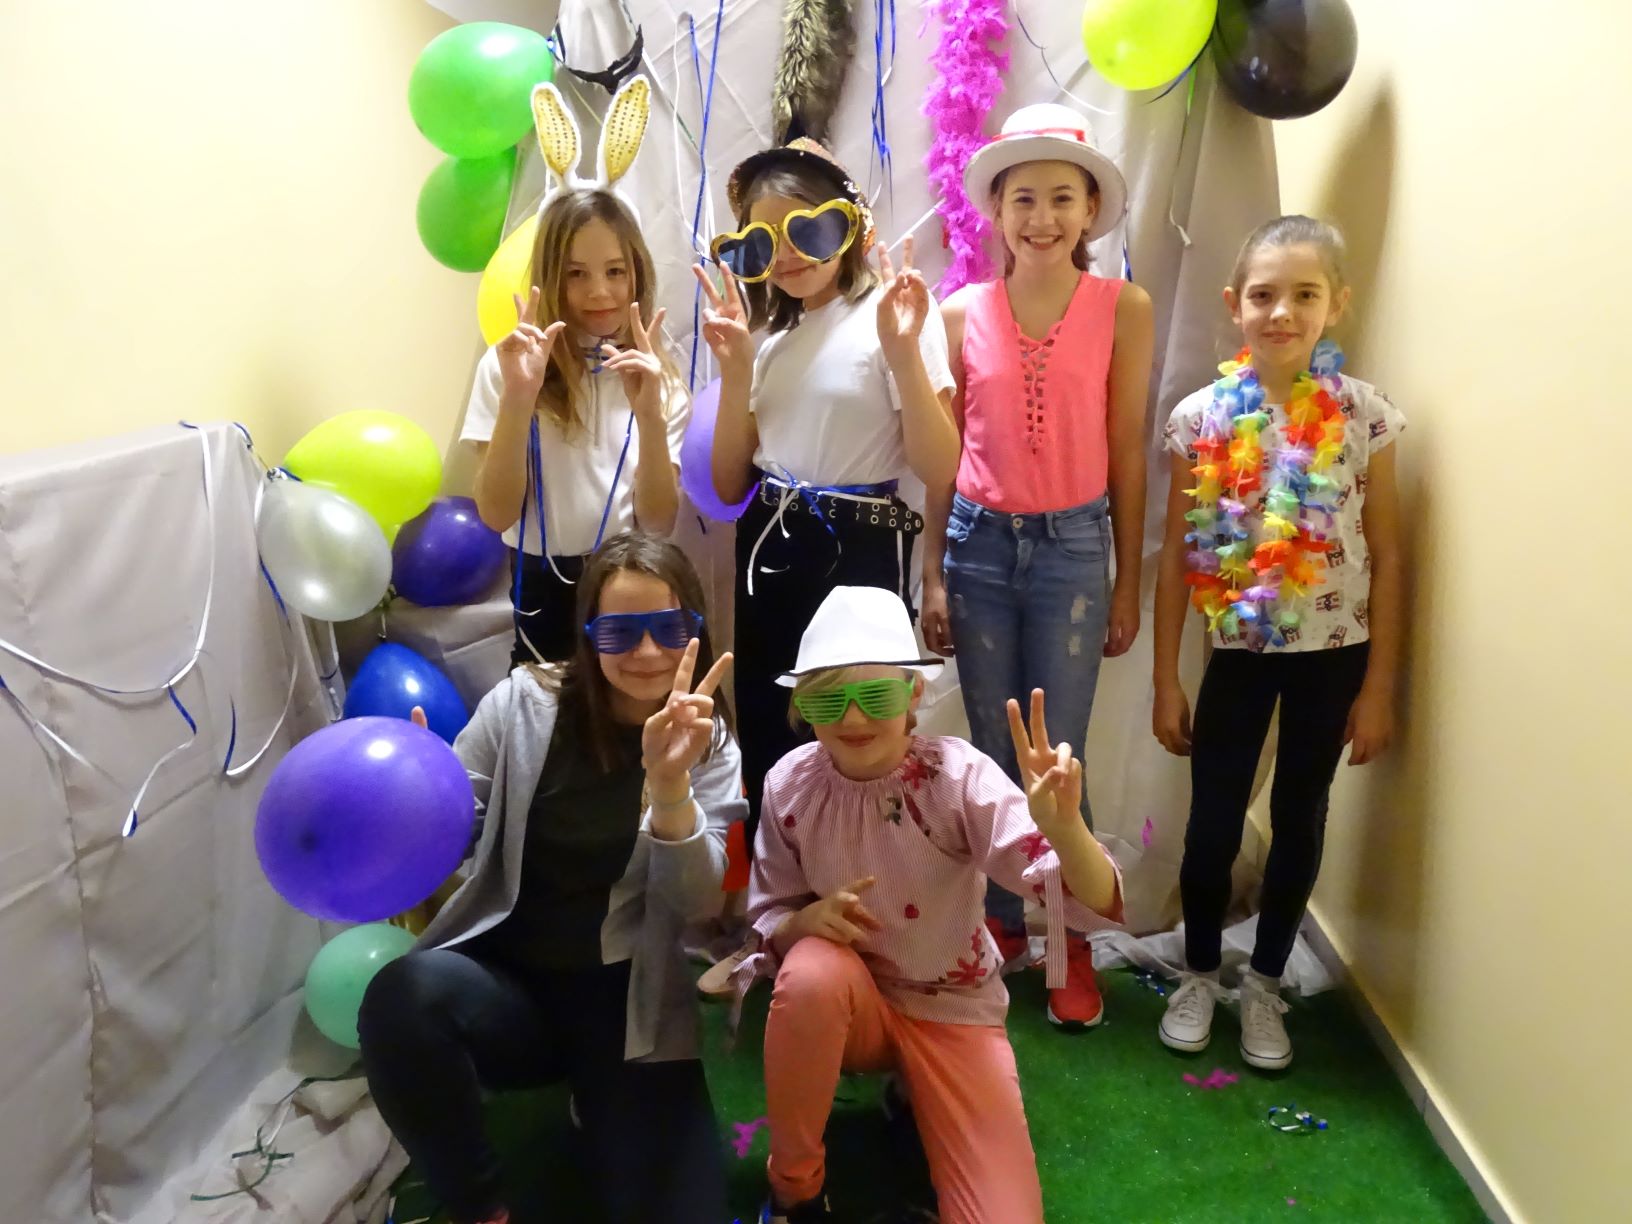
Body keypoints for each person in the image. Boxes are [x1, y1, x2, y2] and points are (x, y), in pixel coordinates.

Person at [357, 533, 744, 1224]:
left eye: (668, 628)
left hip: (627, 1005)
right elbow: (456, 827)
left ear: (694, 629)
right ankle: (480, 1206)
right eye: (620, 631)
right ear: (589, 635)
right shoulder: (522, 705)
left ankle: (598, 1099)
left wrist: (670, 786)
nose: (647, 652)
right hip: (509, 988)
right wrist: (420, 795)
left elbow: (696, 901)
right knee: (402, 997)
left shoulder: (709, 742)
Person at [739, 585, 1124, 1223]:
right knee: (810, 972)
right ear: (802, 705)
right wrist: (802, 922)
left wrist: (1067, 832)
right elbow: (768, 914)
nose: (853, 719)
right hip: (848, 1006)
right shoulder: (789, 783)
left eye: (877, 696)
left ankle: (913, 1094)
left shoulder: (956, 777)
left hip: (953, 1010)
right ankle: (795, 1190)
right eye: (828, 700)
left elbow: (1082, 896)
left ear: (915, 693)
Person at [691, 136, 959, 994]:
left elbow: (941, 464)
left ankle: (874, 936)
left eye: (807, 230)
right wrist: (736, 371)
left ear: (849, 226)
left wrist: (906, 353)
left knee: (862, 741)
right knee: (775, 744)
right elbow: (728, 484)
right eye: (760, 242)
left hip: (859, 546)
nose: (787, 256)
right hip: (769, 545)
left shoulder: (895, 315)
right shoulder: (767, 337)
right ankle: (778, 933)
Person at [920, 101, 1154, 1030]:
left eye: (1063, 197)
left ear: (1091, 210)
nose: (1042, 216)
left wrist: (1127, 581)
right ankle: (999, 923)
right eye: (1024, 198)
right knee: (988, 748)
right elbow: (941, 458)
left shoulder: (1122, 309)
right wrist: (932, 573)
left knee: (1060, 757)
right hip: (977, 546)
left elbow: (1128, 449)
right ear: (996, 209)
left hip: (1073, 551)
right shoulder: (958, 313)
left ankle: (1070, 936)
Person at [1152, 215, 1405, 1070]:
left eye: (1304, 294)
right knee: (1213, 822)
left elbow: (1390, 553)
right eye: (1264, 295)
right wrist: (1164, 680)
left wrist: (1379, 688)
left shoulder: (1365, 415)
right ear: (1235, 305)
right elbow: (1178, 558)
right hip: (1238, 657)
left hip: (1336, 658)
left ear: (1337, 304)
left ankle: (1264, 984)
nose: (1282, 312)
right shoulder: (1199, 418)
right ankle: (1197, 972)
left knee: (1301, 815)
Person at [463, 77, 688, 665]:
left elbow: (659, 523)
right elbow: (496, 513)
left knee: (626, 717)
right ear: (548, 276)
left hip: (629, 586)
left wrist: (650, 415)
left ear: (637, 272)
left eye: (615, 271)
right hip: (539, 581)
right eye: (575, 273)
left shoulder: (658, 377)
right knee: (545, 715)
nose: (599, 293)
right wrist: (519, 398)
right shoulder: (509, 365)